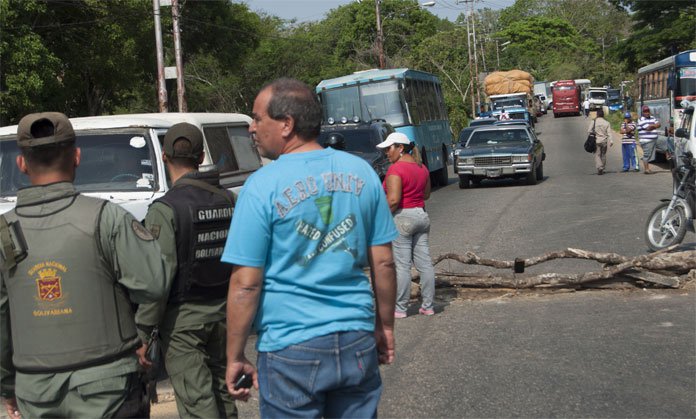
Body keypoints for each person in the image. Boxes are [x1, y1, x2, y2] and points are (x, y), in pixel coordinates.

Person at [221, 78, 398, 418]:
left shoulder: (260, 187)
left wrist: (235, 355)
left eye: (258, 118)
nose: (252, 127)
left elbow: (245, 283)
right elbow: (384, 263)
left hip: (291, 348)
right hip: (355, 338)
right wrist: (385, 325)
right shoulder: (361, 173)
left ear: (286, 124)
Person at [0, 112, 168, 418]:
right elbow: (154, 283)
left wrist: (8, 385)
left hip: (35, 391)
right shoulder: (107, 217)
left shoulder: (4, 232)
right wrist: (141, 332)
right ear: (77, 157)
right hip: (108, 387)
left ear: (21, 164)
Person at [135, 123, 238, 418]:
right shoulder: (229, 200)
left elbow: (158, 278)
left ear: (164, 157)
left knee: (197, 403)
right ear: (201, 155)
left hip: (183, 323)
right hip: (225, 314)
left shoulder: (165, 209)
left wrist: (142, 332)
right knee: (223, 395)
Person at [377, 132, 436, 318]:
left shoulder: (395, 170)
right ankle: (428, 306)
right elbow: (426, 195)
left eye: (389, 148)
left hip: (403, 218)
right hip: (421, 215)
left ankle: (400, 309)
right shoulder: (422, 168)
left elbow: (393, 200)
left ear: (400, 148)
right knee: (425, 264)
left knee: (402, 266)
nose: (387, 153)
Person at [589, 107, 614, 175]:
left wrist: (594, 133)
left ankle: (600, 167)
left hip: (597, 141)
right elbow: (609, 133)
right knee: (603, 155)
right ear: (603, 115)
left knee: (597, 155)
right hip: (604, 141)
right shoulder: (607, 123)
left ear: (597, 115)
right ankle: (602, 167)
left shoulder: (594, 122)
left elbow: (589, 131)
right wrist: (611, 141)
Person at [638, 105, 661, 174]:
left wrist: (652, 126)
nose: (647, 113)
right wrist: (654, 125)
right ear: (642, 112)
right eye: (645, 111)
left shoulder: (652, 118)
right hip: (646, 140)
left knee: (666, 142)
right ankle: (646, 169)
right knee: (647, 155)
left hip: (655, 139)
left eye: (648, 111)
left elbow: (659, 124)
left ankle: (668, 155)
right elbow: (648, 128)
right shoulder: (640, 119)